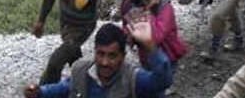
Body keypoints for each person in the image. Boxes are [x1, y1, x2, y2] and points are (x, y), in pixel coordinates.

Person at [24, 22, 172, 98]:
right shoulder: (81, 71)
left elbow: (162, 81)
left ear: (123, 56)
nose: (104, 62)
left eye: (112, 56)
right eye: (100, 54)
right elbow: (63, 88)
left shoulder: (133, 78)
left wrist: (150, 46)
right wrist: (39, 92)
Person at [119, 0, 187, 76]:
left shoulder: (164, 7)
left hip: (167, 58)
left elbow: (156, 37)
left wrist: (147, 10)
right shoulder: (128, 4)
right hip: (145, 58)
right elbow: (125, 27)